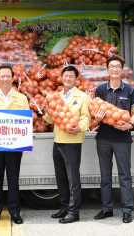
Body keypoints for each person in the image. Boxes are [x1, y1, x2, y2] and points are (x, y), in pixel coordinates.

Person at [92, 56, 134, 223]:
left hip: (123, 138)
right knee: (105, 175)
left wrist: (131, 125)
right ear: (107, 70)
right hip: (104, 137)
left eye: (118, 66)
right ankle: (107, 209)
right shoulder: (100, 90)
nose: (115, 69)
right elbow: (95, 115)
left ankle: (127, 210)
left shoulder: (130, 90)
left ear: (122, 69)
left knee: (124, 175)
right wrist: (97, 119)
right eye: (111, 66)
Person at [42, 66, 91, 224]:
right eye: (65, 76)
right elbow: (50, 120)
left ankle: (74, 211)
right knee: (61, 177)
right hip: (58, 141)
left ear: (77, 79)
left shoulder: (83, 97)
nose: (68, 79)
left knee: (73, 179)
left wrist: (80, 127)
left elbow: (86, 117)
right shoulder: (56, 96)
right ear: (61, 78)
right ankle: (64, 207)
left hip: (72, 141)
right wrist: (47, 112)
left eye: (71, 76)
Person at [0, 65, 30, 225]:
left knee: (13, 180)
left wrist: (27, 140)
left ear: (13, 78)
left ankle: (15, 212)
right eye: (2, 76)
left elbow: (25, 122)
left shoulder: (21, 98)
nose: (5, 79)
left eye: (8, 76)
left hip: (14, 147)